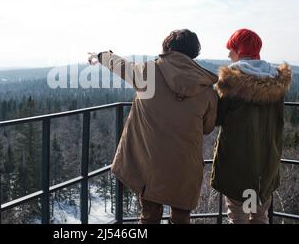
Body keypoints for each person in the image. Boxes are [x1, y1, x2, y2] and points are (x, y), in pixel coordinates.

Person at [90, 29, 218, 224]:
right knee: (182, 217)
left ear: (167, 48)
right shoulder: (205, 86)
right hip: (186, 164)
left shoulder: (148, 73)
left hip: (150, 162)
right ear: (194, 52)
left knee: (149, 214)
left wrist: (103, 55)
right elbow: (208, 127)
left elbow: (121, 66)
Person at [210, 29, 292, 224]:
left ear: (238, 50)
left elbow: (217, 118)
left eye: (231, 49)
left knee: (237, 216)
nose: (228, 54)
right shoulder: (276, 81)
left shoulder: (231, 81)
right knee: (259, 215)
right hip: (266, 162)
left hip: (237, 163)